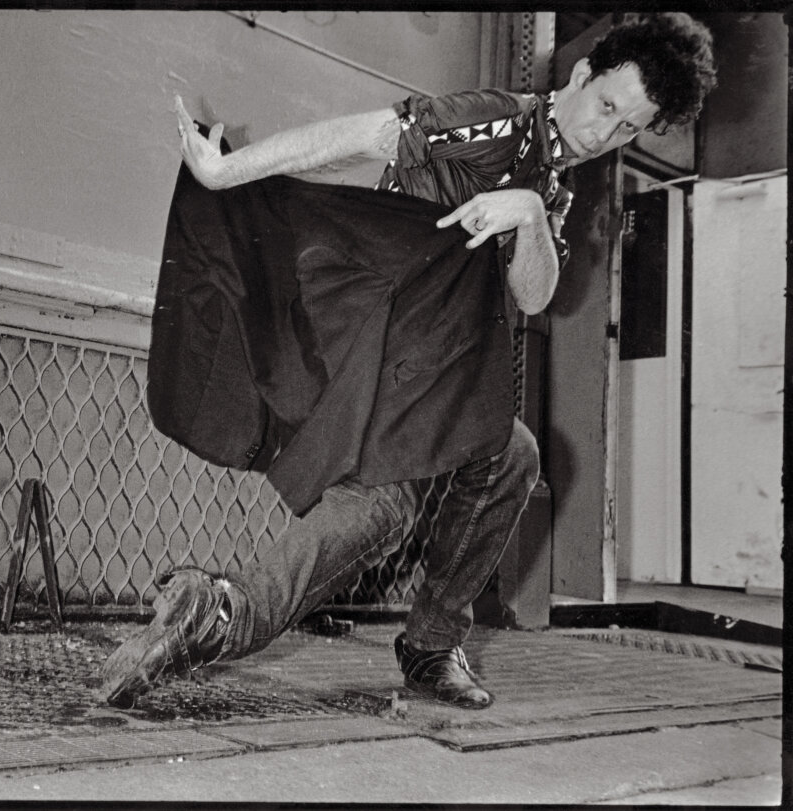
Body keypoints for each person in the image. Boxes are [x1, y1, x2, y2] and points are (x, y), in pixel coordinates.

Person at [100, 13, 716, 710]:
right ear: (580, 76)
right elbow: (369, 133)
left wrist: (532, 216)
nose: (606, 134)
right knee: (384, 506)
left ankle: (428, 643)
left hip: (435, 364)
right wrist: (223, 172)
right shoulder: (495, 120)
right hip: (379, 341)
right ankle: (222, 614)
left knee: (511, 453)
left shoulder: (552, 184)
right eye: (607, 106)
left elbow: (535, 295)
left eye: (630, 128)